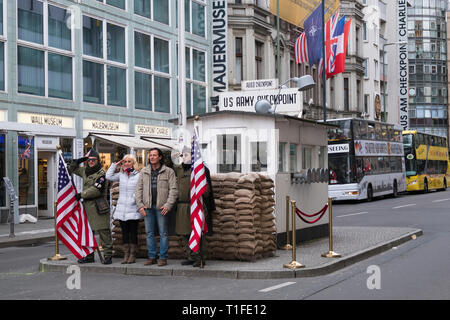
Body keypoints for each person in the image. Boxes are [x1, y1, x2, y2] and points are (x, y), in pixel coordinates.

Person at [69, 149, 113, 265]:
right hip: (86, 206)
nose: (91, 162)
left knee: (103, 231)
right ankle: (89, 255)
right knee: (87, 232)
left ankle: (108, 255)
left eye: (93, 160)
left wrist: (82, 194)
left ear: (98, 161)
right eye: (89, 160)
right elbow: (71, 169)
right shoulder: (85, 170)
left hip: (98, 205)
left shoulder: (102, 173)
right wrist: (78, 161)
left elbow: (96, 189)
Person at [135, 148, 178, 267]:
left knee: (163, 233)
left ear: (160, 157)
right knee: (149, 233)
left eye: (154, 155)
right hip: (147, 207)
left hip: (162, 208)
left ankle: (163, 257)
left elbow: (173, 190)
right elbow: (138, 189)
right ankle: (152, 256)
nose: (152, 157)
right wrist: (140, 206)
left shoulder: (168, 171)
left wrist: (168, 205)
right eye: (150, 155)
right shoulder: (144, 171)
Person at [175, 147, 215, 268]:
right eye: (183, 155)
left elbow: (207, 191)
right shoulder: (178, 169)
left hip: (196, 205)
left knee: (197, 231)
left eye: (187, 155)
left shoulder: (201, 169)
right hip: (183, 204)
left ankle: (199, 257)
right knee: (184, 232)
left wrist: (200, 189)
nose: (185, 157)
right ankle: (191, 256)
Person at [106, 154, 141, 264]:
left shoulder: (138, 175)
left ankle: (132, 254)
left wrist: (134, 199)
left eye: (129, 161)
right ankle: (126, 254)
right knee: (124, 233)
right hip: (122, 208)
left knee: (133, 232)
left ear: (133, 163)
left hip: (133, 207)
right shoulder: (121, 175)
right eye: (124, 161)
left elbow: (141, 189)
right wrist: (114, 165)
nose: (126, 163)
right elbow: (108, 176)